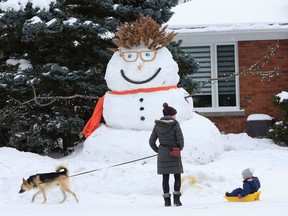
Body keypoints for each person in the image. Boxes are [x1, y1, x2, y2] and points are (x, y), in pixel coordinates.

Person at [149, 103, 184, 207]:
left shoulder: (157, 125)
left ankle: (167, 201)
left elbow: (151, 141)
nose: (175, 116)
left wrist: (159, 150)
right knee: (177, 175)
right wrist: (179, 149)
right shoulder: (175, 124)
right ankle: (177, 200)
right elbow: (180, 140)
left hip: (163, 153)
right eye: (175, 114)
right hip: (174, 152)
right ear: (171, 115)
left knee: (165, 177)